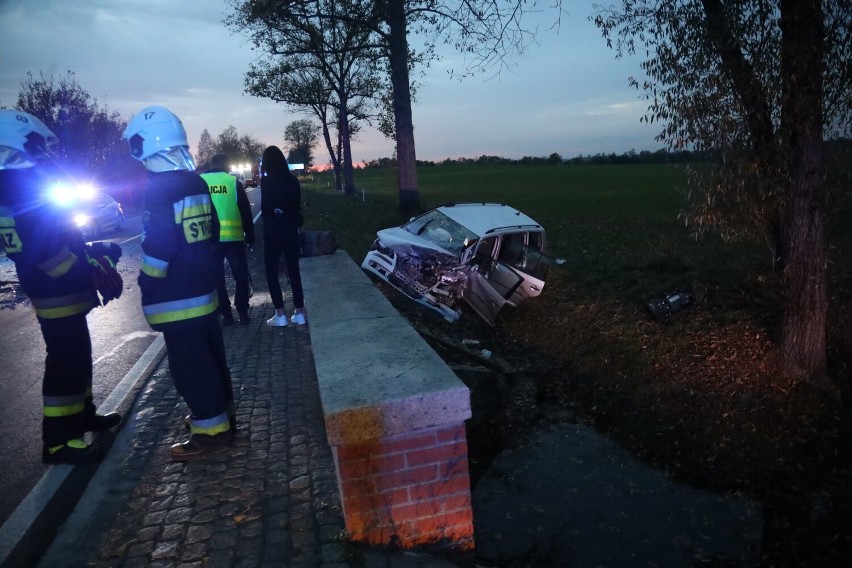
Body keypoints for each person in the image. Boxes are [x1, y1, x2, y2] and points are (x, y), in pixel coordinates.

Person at [0, 109, 122, 465]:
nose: (42, 152)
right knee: (65, 362)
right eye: (36, 145)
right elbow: (42, 250)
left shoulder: (15, 183)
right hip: (55, 289)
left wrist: (91, 253)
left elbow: (53, 235)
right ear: (17, 145)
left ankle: (83, 417)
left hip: (55, 288)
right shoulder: (17, 185)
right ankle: (58, 441)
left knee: (77, 356)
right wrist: (88, 266)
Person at [123, 106, 235, 461]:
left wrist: (147, 282)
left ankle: (210, 433)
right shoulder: (196, 181)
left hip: (175, 297)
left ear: (144, 147)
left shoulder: (158, 189)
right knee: (212, 358)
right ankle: (223, 417)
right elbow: (213, 231)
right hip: (203, 291)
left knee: (190, 367)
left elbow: (159, 246)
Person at [200, 154, 255, 326]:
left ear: (211, 164)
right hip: (234, 238)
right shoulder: (233, 182)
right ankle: (243, 313)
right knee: (240, 277)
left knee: (217, 279)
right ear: (226, 166)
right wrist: (250, 235)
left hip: (209, 239)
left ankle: (226, 315)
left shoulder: (200, 183)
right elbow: (245, 211)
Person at [259, 145, 306, 327]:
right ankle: (299, 312)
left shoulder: (267, 182)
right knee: (293, 271)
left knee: (272, 273)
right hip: (291, 231)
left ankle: (280, 314)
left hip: (273, 233)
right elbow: (297, 206)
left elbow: (265, 209)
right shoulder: (293, 181)